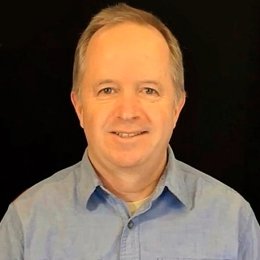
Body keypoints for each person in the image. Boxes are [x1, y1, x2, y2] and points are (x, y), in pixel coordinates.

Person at [0, 3, 259, 259]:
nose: (127, 112)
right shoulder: (24, 224)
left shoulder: (234, 222)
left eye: (149, 90)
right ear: (79, 107)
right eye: (107, 90)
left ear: (177, 108)